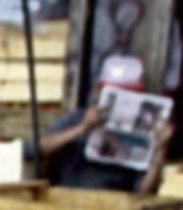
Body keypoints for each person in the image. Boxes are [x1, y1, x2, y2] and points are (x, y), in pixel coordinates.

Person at [34, 55, 173, 194]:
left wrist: (160, 150)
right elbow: (36, 148)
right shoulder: (77, 117)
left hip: (112, 206)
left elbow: (144, 192)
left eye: (128, 94)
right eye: (114, 94)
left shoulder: (144, 133)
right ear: (98, 91)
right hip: (65, 199)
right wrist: (82, 127)